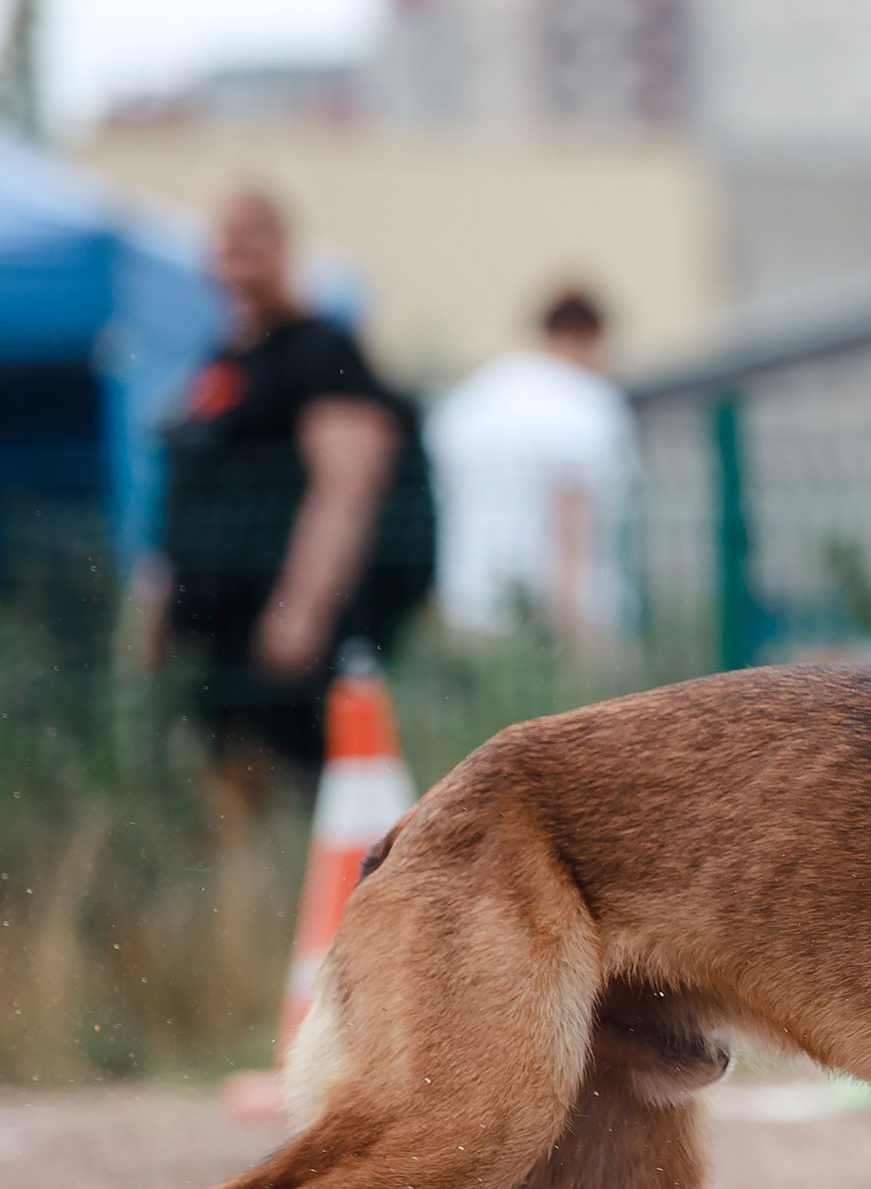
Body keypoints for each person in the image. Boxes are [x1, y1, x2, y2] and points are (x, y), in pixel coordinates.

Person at [151, 183, 434, 783]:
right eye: (223, 231)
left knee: (309, 777)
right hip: (219, 621)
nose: (236, 243)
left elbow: (349, 483)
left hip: (286, 622)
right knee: (227, 778)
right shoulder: (218, 360)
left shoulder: (320, 347)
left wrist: (299, 607)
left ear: (286, 246)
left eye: (254, 229)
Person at [424, 287, 637, 649]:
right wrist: (580, 633)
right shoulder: (584, 403)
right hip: (552, 619)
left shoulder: (470, 400)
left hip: (469, 606)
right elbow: (571, 524)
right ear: (589, 337)